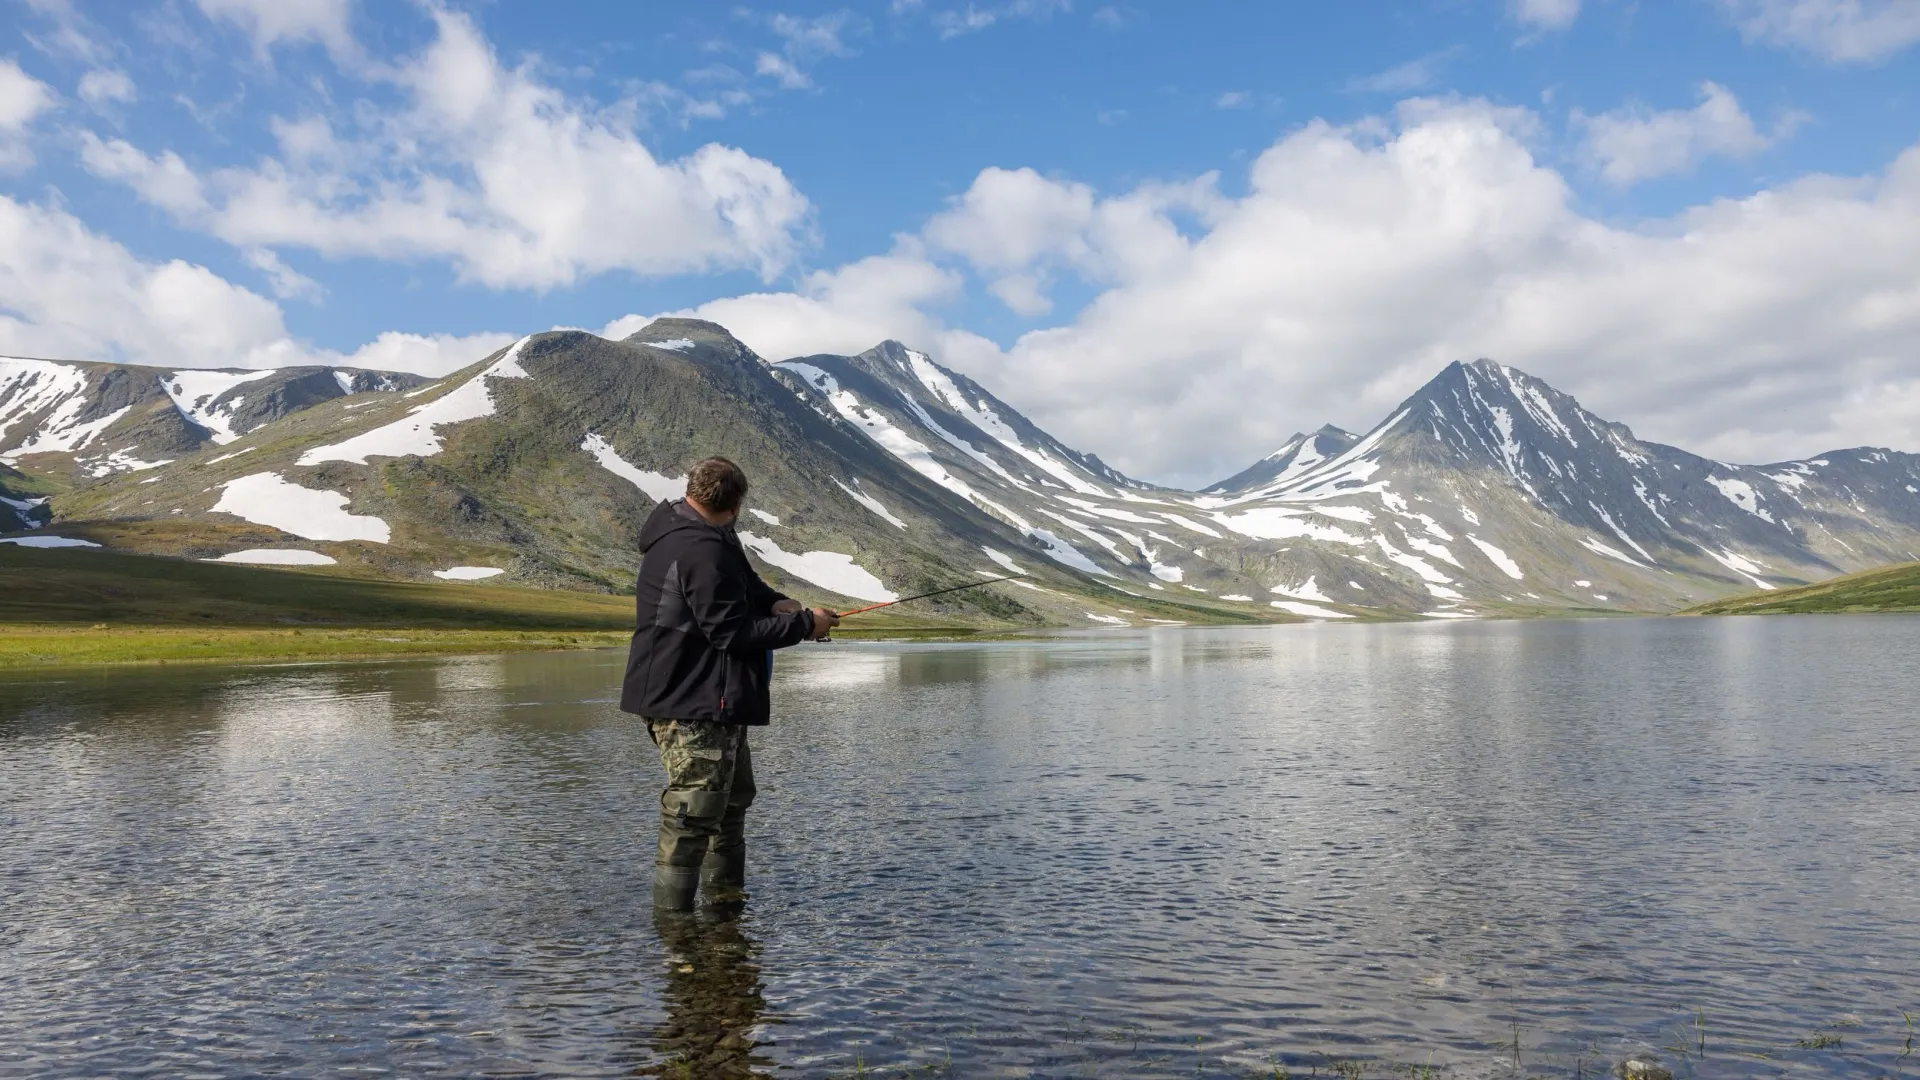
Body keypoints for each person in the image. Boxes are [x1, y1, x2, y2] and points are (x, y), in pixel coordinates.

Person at [620, 457, 839, 910]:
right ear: (737, 503)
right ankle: (675, 929)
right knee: (694, 812)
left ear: (692, 492)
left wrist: (777, 603)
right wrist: (804, 625)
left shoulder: (710, 538)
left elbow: (745, 586)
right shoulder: (700, 548)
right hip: (691, 700)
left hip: (708, 697)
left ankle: (725, 913)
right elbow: (731, 632)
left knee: (730, 804)